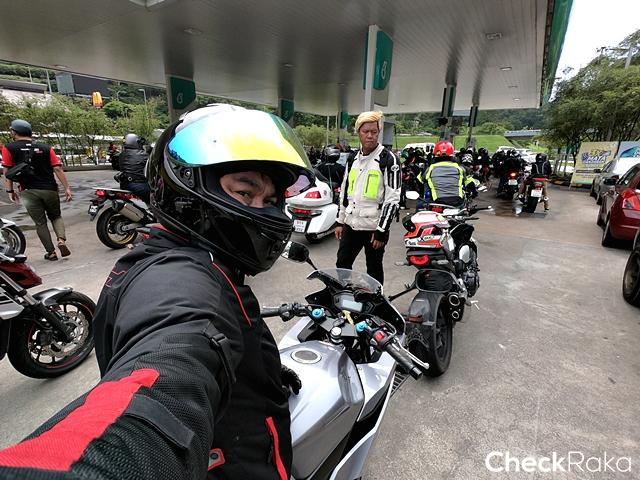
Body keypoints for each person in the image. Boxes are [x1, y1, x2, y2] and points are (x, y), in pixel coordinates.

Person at [0, 105, 314, 479]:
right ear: (188, 184)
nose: (261, 210)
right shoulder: (182, 280)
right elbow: (166, 370)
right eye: (245, 192)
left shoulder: (174, 254)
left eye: (271, 201)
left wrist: (258, 372)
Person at [335, 111, 400, 285]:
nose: (370, 136)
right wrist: (340, 221)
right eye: (366, 132)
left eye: (374, 132)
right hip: (351, 224)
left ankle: (376, 299)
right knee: (342, 264)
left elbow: (392, 199)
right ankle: (344, 295)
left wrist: (382, 231)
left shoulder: (388, 159)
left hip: (374, 228)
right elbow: (345, 191)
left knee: (373, 268)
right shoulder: (352, 158)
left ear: (378, 132)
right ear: (358, 133)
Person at [1, 119, 73, 261]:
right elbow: (57, 168)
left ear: (14, 132)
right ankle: (61, 240)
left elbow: (7, 171)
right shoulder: (46, 147)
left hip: (28, 191)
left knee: (40, 223)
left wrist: (10, 191)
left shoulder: (9, 148)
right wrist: (67, 188)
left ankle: (51, 253)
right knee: (56, 216)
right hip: (49, 189)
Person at [419, 140, 476, 208]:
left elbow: (419, 180)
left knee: (419, 206)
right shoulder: (460, 168)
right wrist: (474, 193)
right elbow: (470, 183)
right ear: (452, 154)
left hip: (437, 202)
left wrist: (421, 193)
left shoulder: (429, 169)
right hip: (458, 202)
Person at [115, 133, 151, 203]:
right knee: (156, 199)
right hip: (139, 186)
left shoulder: (122, 154)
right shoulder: (143, 154)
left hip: (124, 184)